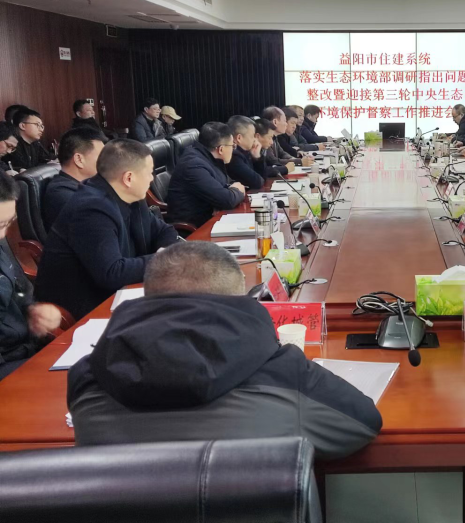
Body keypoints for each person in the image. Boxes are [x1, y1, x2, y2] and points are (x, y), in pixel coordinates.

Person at [67, 241, 383, 458]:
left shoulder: (87, 378)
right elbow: (363, 423)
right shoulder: (285, 373)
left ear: (148, 296)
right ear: (238, 299)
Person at [35, 140, 181, 320]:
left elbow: (165, 231)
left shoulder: (133, 197)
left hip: (121, 292)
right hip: (87, 310)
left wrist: (166, 252)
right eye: (150, 172)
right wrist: (164, 259)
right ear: (129, 178)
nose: (152, 178)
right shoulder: (91, 208)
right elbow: (111, 273)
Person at [0, 173, 62, 381]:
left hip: (26, 350)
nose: (3, 235)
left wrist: (32, 310)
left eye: (8, 223)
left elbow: (16, 290)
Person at [166, 122, 246, 228]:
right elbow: (228, 200)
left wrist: (228, 194)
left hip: (209, 220)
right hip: (193, 228)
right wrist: (237, 190)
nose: (233, 149)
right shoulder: (194, 165)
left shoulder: (207, 158)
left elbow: (223, 190)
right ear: (221, 149)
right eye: (232, 146)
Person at [42, 127, 107, 230]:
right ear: (79, 159)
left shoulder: (85, 184)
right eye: (101, 157)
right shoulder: (62, 194)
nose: (106, 162)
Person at [226, 115, 271, 190]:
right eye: (252, 136)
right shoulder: (234, 156)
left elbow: (263, 178)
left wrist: (257, 158)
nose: (255, 140)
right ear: (239, 138)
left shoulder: (245, 152)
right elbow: (257, 182)